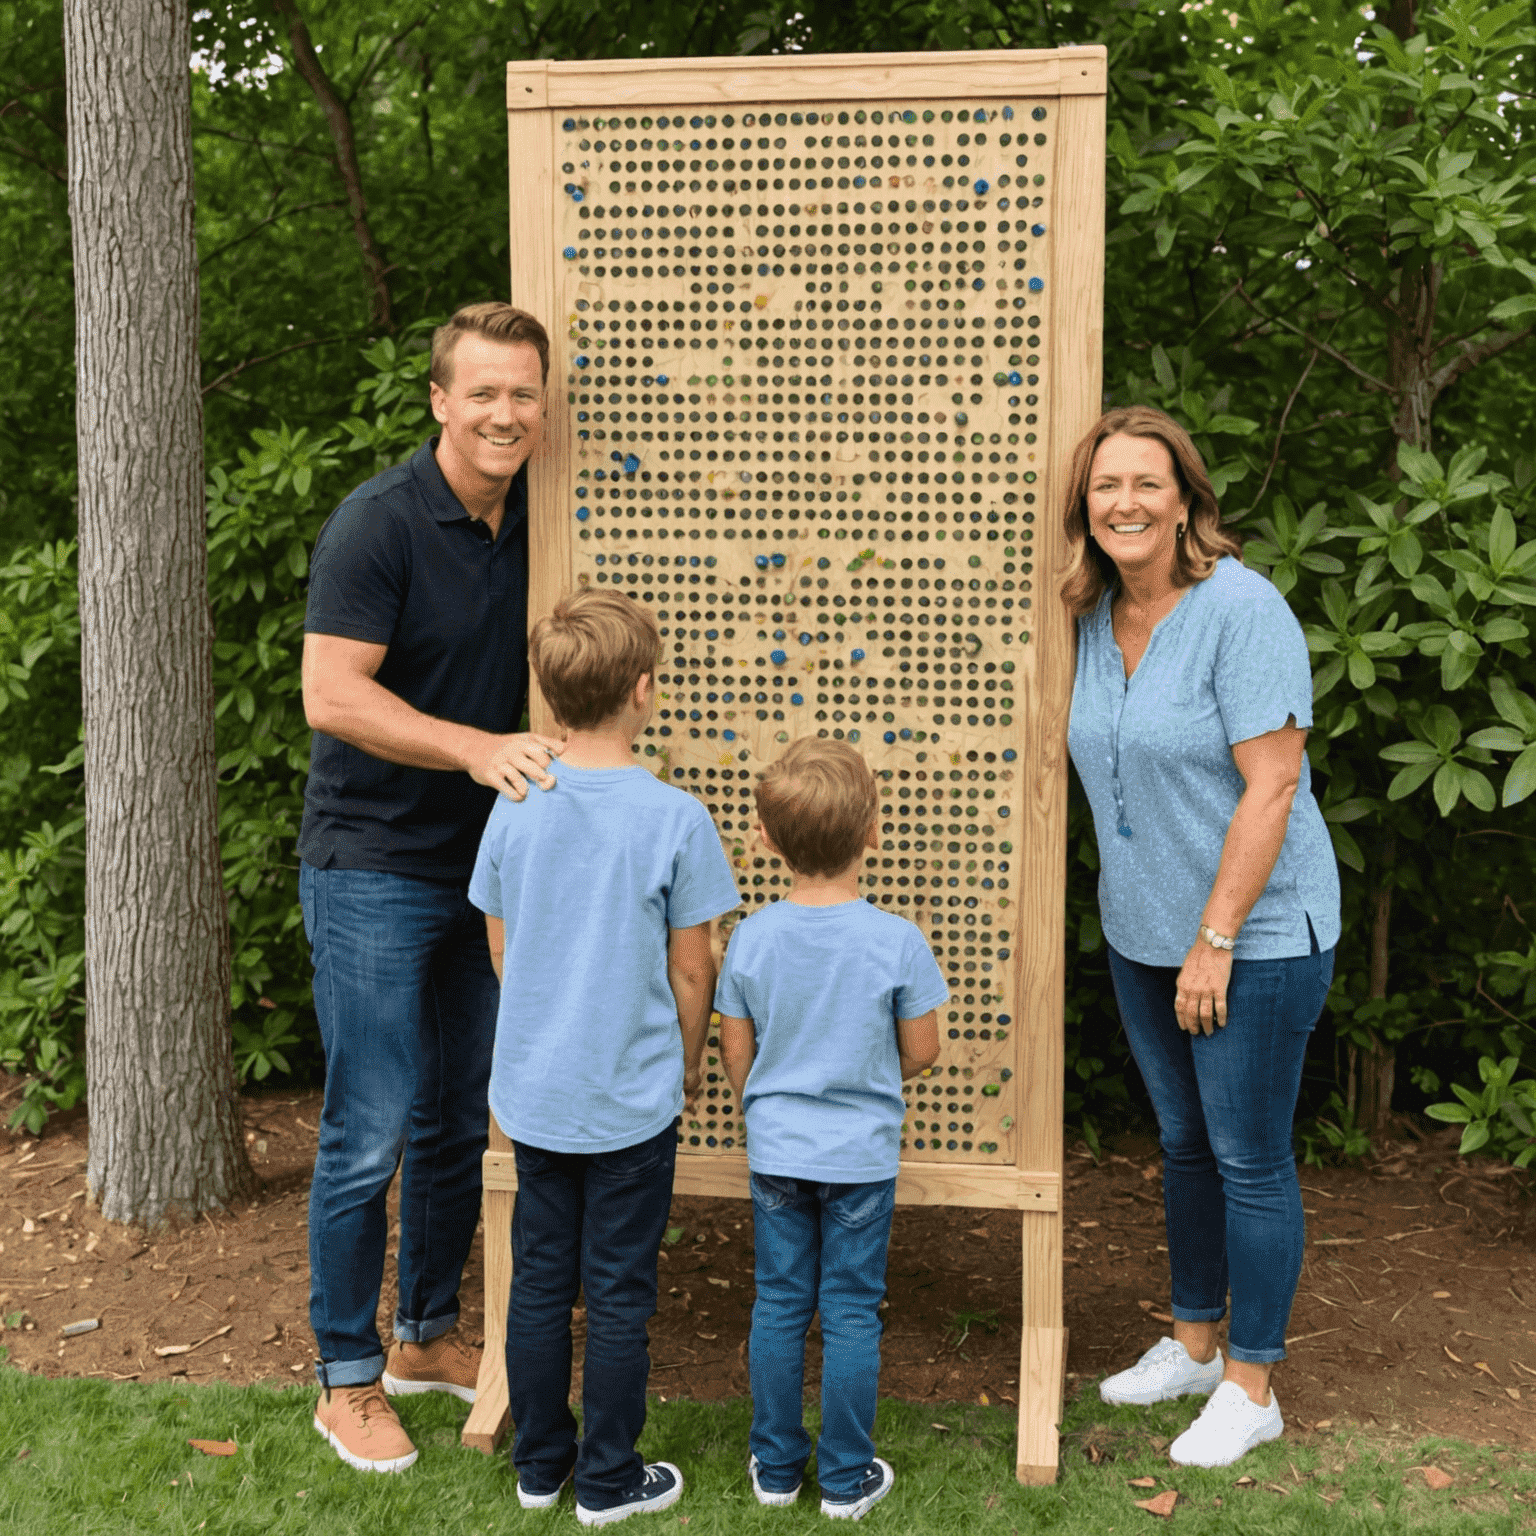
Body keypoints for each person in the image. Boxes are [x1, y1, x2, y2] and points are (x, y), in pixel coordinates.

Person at [300, 302, 564, 1473]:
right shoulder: (380, 522)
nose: (506, 413)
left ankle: (422, 1338)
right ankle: (345, 1378)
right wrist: (473, 747)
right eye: (485, 393)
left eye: (524, 393)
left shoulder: (541, 525)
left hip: (490, 874)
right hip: (372, 867)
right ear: (440, 402)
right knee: (370, 1130)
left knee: (461, 1118)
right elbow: (333, 695)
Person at [1063, 405, 1341, 1468]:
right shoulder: (1091, 611)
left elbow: (1274, 784)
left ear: (1186, 500)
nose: (1124, 503)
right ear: (1084, 507)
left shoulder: (1243, 608)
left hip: (1254, 935)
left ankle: (1252, 1383)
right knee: (1183, 1143)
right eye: (1104, 487)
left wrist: (1217, 936)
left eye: (1146, 483)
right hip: (1143, 931)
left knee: (1250, 1156)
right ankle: (1190, 1343)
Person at [469, 589, 740, 1526]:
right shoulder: (676, 817)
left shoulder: (514, 805)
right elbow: (694, 966)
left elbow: (501, 947)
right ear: (643, 689)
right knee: (620, 1290)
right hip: (631, 1095)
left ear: (548, 697)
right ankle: (611, 1481)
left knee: (540, 1278)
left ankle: (541, 1469)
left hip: (537, 1089)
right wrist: (691, 1060)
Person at [715, 739, 947, 1520]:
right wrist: (867, 1078)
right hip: (861, 1158)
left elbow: (735, 1051)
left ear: (768, 841)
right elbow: (922, 1050)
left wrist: (769, 1103)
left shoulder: (750, 938)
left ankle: (777, 1470)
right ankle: (846, 1481)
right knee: (850, 1311)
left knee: (779, 1303)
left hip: (776, 1151)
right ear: (873, 831)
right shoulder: (898, 941)